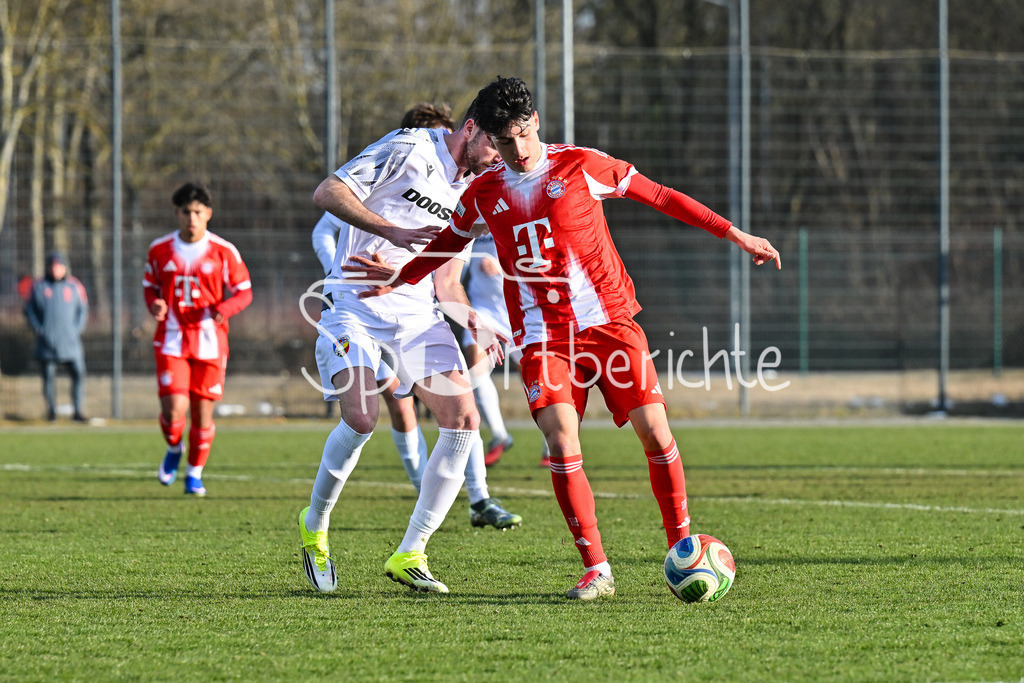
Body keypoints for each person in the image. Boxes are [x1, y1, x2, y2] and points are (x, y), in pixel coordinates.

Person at [344, 76, 782, 601]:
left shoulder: (581, 164)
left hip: (609, 324)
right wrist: (397, 277)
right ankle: (597, 569)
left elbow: (662, 197)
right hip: (543, 339)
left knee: (656, 434)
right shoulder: (483, 193)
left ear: (535, 123)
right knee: (560, 444)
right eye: (505, 143)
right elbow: (442, 248)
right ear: (489, 138)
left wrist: (736, 233)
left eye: (524, 135)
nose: (518, 150)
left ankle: (682, 547)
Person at [298, 100, 520, 595]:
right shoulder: (408, 149)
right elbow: (327, 191)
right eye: (496, 145)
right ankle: (315, 528)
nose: (501, 158)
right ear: (472, 129)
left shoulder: (475, 191)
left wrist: (474, 322)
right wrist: (391, 229)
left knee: (463, 420)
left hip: (417, 317)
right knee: (360, 418)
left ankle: (411, 552)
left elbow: (447, 283)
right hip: (353, 304)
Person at [143, 182, 253, 496]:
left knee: (203, 414)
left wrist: (226, 307)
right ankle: (174, 447)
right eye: (185, 212)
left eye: (197, 211)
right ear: (176, 214)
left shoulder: (223, 250)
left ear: (208, 214)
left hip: (210, 341)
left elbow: (244, 292)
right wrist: (153, 303)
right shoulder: (159, 249)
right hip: (172, 339)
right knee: (174, 410)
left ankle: (194, 474)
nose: (191, 217)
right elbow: (149, 286)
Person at [24, 252, 89, 422]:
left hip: (71, 342)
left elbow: (83, 310)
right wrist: (39, 329)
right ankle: (51, 412)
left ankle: (77, 411)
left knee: (78, 374)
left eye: (59, 266)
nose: (56, 269)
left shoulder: (74, 285)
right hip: (46, 343)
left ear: (65, 268)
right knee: (48, 377)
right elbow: (29, 310)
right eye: (52, 266)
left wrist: (76, 330)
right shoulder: (38, 286)